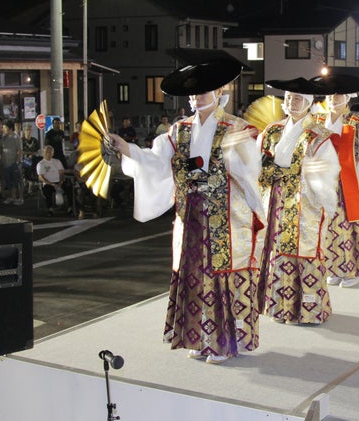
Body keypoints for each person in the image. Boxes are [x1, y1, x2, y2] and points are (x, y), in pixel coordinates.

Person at [109, 60, 264, 364]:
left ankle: (226, 340)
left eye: (203, 91)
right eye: (192, 94)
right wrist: (125, 148)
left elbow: (251, 169)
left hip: (227, 217)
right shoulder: (178, 130)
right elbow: (155, 161)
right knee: (194, 273)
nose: (196, 98)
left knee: (225, 274)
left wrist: (237, 154)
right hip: (191, 214)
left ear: (220, 91)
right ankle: (199, 336)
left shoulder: (237, 127)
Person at [258, 77, 340, 324]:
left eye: (298, 99)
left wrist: (314, 174)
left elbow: (329, 170)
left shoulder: (319, 135)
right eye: (289, 97)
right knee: (276, 251)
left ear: (308, 103)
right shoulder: (272, 131)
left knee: (303, 252)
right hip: (274, 201)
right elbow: (258, 163)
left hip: (305, 202)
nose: (293, 102)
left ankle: (308, 310)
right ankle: (280, 307)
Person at [311, 74, 359, 288]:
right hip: (324, 181)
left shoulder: (357, 122)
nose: (333, 98)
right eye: (330, 94)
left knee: (349, 226)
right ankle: (332, 267)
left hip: (350, 182)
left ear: (347, 98)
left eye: (338, 95)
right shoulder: (316, 121)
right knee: (327, 226)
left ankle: (350, 271)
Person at [0, 120, 24, 205]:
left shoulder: (16, 137)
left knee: (18, 181)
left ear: (9, 128)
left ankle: (20, 198)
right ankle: (12, 197)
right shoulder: (3, 137)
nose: (3, 129)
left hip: (14, 163)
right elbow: (0, 149)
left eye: (5, 127)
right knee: (9, 182)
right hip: (6, 163)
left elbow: (19, 151)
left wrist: (16, 162)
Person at [37, 145, 65, 216]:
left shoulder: (57, 161)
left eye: (50, 152)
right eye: (47, 152)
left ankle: (70, 208)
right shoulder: (41, 164)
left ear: (53, 153)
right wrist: (52, 184)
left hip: (59, 182)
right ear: (43, 153)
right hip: (48, 183)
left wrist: (60, 182)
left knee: (69, 188)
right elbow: (41, 177)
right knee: (47, 191)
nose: (48, 154)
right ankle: (50, 209)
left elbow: (61, 173)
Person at [21, 124, 40, 194]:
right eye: (27, 130)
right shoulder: (21, 140)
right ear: (24, 131)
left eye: (30, 130)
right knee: (28, 164)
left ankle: (30, 186)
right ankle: (28, 182)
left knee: (35, 163)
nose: (28, 131)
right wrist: (29, 153)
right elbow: (20, 151)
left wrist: (32, 154)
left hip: (33, 158)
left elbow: (37, 151)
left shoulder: (34, 140)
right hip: (24, 159)